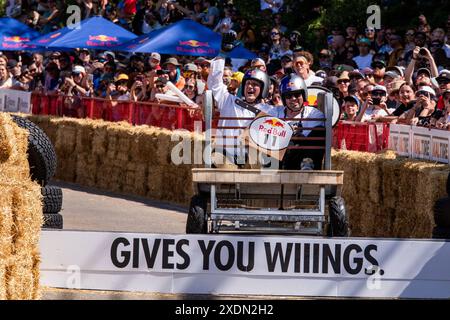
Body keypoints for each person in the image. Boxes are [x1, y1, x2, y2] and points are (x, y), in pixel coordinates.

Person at [207, 53, 272, 165]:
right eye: (248, 83)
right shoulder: (228, 101)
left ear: (263, 88)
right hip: (225, 155)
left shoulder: (270, 111)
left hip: (252, 160)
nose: (250, 87)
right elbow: (214, 84)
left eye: (255, 84)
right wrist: (221, 55)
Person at [266, 73, 325, 170]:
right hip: (281, 156)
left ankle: (307, 164)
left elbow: (314, 138)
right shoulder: (274, 112)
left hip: (302, 156)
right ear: (284, 98)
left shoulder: (314, 114)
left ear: (303, 95)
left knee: (319, 130)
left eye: (297, 94)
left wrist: (296, 136)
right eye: (289, 96)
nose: (293, 99)